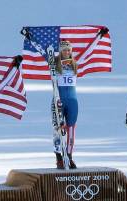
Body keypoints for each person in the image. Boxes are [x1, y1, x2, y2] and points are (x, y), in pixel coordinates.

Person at [52, 40, 78, 169]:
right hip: (59, 101)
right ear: (60, 51)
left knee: (71, 129)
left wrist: (99, 36)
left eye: (68, 50)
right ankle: (59, 157)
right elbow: (40, 51)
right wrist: (29, 37)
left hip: (73, 101)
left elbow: (89, 50)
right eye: (64, 50)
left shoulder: (74, 64)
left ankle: (69, 156)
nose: (67, 52)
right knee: (58, 129)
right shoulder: (54, 64)